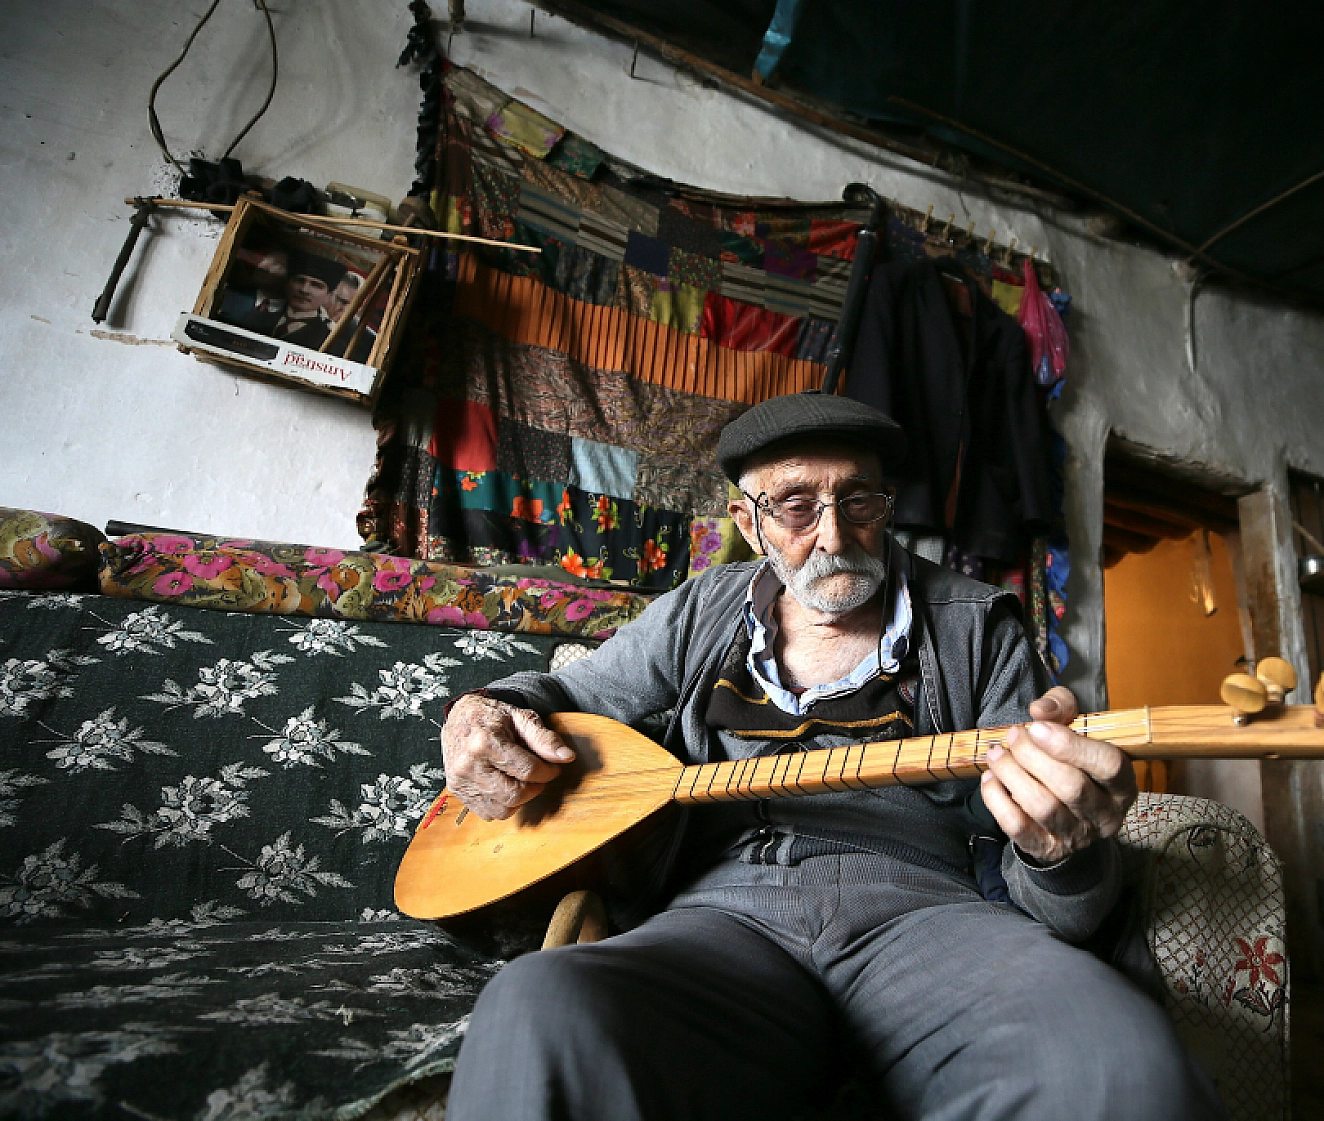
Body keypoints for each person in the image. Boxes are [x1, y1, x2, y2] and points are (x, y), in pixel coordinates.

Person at [441, 392, 1226, 1121]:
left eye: (859, 500)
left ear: (886, 506)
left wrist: (1062, 851)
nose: (836, 533)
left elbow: (1067, 908)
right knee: (536, 1010)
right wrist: (480, 715)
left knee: (1118, 1062)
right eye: (794, 505)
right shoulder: (696, 613)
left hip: (929, 921)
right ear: (749, 523)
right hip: (721, 924)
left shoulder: (979, 626)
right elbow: (555, 694)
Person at [228, 251, 344, 350]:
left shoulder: (330, 340)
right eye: (299, 280)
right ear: (287, 284)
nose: (304, 290)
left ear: (328, 296)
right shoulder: (254, 318)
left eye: (316, 285)